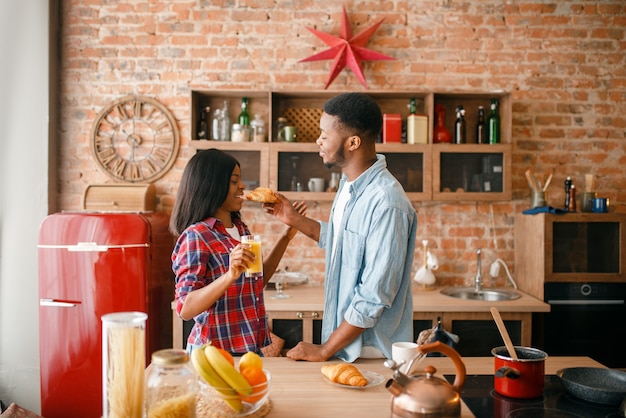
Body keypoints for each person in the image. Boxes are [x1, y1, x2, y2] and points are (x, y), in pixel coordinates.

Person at [265, 93, 418, 362]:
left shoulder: (387, 202)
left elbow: (374, 295)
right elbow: (342, 242)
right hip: (344, 345)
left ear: (353, 142)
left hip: (369, 353)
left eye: (324, 135)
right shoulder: (348, 186)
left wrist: (325, 349)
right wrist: (294, 219)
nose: (318, 141)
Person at [170, 148, 305, 355]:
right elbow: (185, 308)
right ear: (211, 185)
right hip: (212, 353)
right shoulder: (196, 236)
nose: (242, 186)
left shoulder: (240, 228)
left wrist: (286, 237)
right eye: (234, 181)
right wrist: (230, 275)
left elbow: (257, 280)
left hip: (248, 348)